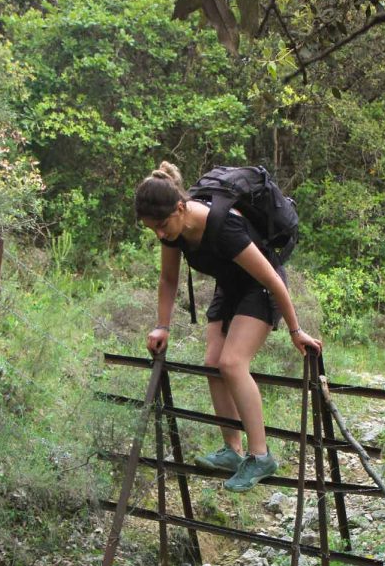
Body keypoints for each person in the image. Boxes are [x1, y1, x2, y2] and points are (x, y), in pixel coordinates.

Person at [135, 160, 322, 492]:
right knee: (212, 364)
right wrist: (162, 325)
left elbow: (273, 281)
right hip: (230, 287)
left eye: (163, 225)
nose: (161, 234)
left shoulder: (224, 226)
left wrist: (296, 331)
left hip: (261, 289)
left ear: (180, 207)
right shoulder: (172, 231)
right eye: (154, 230)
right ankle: (232, 450)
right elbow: (167, 280)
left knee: (232, 363)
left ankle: (260, 455)